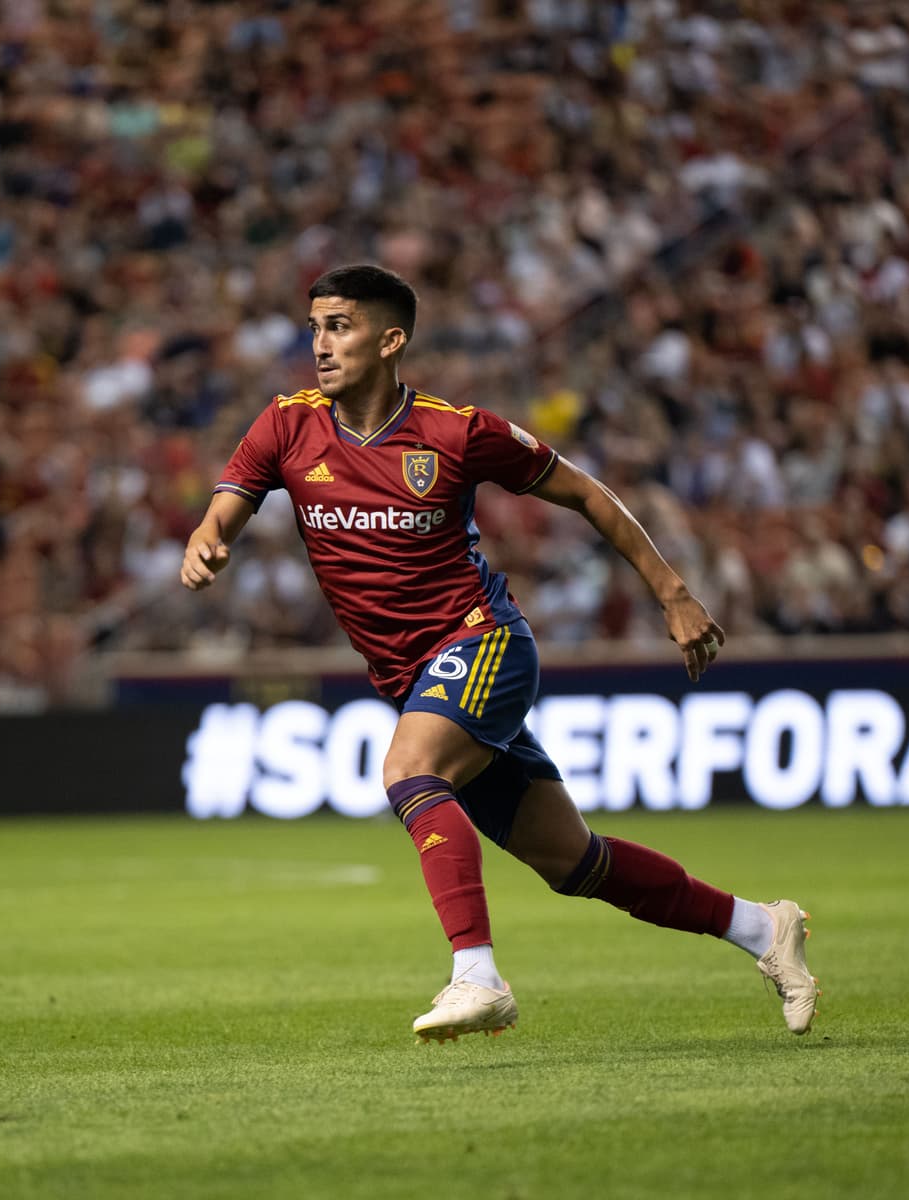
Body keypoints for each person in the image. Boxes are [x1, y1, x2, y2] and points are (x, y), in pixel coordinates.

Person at [180, 265, 819, 1041]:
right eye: (314, 326)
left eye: (339, 325)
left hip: (483, 642)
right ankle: (762, 928)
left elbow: (584, 491)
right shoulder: (286, 424)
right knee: (574, 863)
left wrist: (672, 591)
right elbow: (228, 506)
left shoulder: (457, 431)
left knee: (410, 771)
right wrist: (208, 541)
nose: (319, 343)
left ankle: (476, 977)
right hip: (415, 677)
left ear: (390, 341)